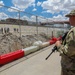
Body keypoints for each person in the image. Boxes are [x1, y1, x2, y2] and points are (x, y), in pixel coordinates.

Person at [55, 9, 75, 75]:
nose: (69, 20)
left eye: (70, 17)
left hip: (70, 69)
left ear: (74, 17)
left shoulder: (73, 32)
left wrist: (58, 45)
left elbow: (68, 52)